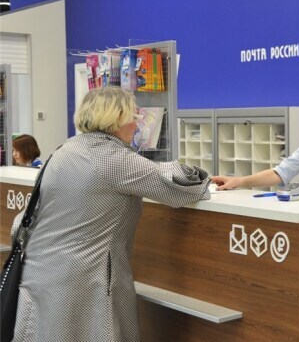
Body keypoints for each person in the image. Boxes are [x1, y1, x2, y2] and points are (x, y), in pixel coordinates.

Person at [12, 87, 211, 342]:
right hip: (84, 280)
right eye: (133, 117)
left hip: (39, 272)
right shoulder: (111, 158)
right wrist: (201, 175)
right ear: (116, 118)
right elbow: (177, 186)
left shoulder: (63, 151)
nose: (136, 126)